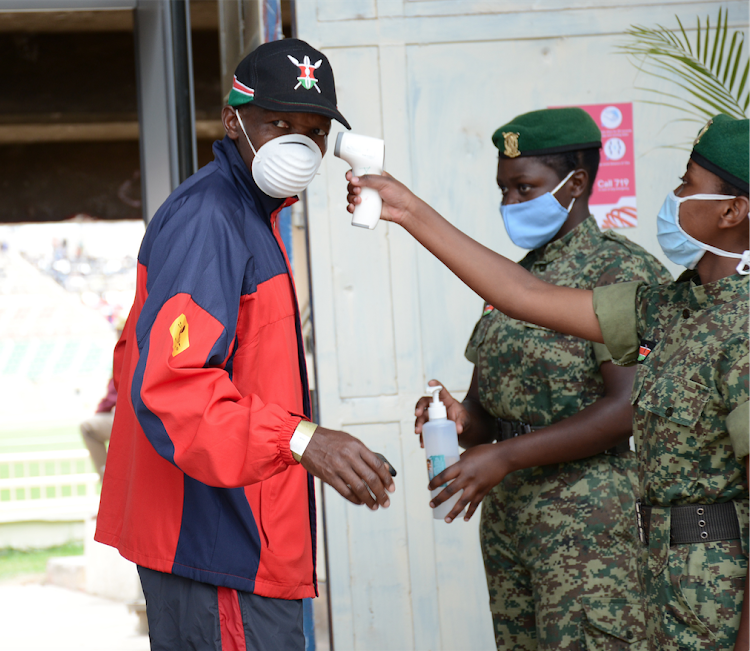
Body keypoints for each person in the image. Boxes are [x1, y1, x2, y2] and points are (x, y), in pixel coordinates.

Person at [347, 113, 748, 650]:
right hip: (662, 578)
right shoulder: (671, 309)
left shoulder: (739, 326)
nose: (673, 195)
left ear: (732, 209)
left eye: (686, 183)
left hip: (711, 583)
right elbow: (526, 296)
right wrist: (407, 210)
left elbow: (620, 404)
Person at [95, 39, 396, 651]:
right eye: (278, 123)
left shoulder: (249, 215)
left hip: (240, 542)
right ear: (233, 120)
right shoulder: (212, 219)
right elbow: (175, 389)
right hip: (217, 545)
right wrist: (303, 438)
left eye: (312, 132)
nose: (296, 144)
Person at [409, 107, 671, 650]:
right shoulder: (514, 280)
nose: (510, 203)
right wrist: (459, 419)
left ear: (575, 183)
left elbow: (627, 408)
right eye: (504, 190)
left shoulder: (617, 272)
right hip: (512, 521)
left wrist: (505, 456)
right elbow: (487, 416)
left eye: (524, 188)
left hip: (591, 528)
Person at [80, 376, 116, 480]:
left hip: (141, 420)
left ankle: (109, 480)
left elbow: (112, 397)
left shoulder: (128, 360)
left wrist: (100, 411)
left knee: (87, 427)